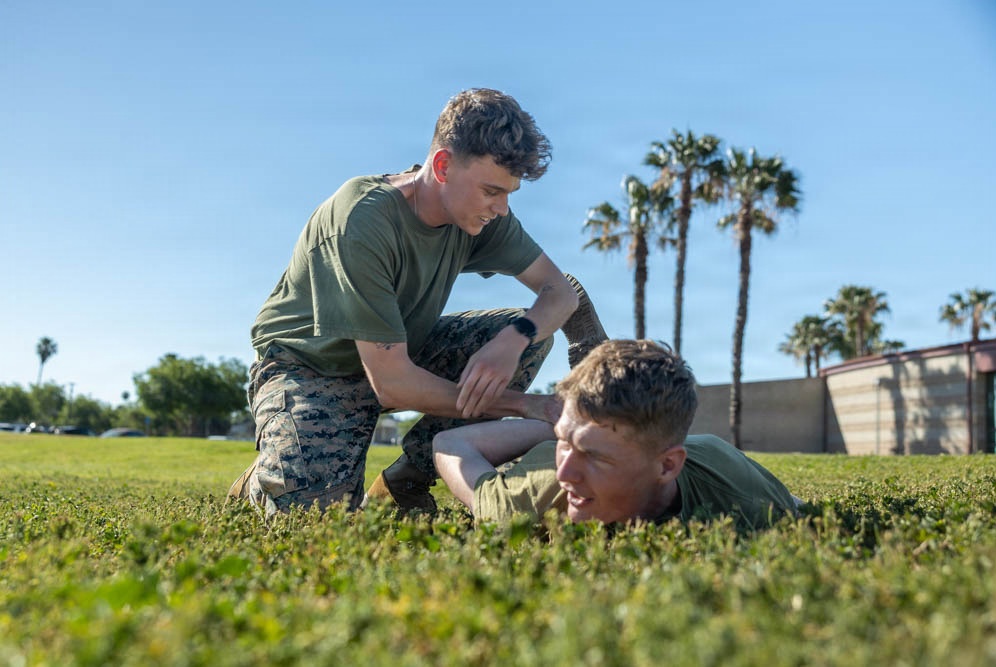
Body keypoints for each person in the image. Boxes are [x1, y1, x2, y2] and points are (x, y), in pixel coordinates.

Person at [228, 88, 601, 519]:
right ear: (442, 166)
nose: (500, 209)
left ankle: (404, 481)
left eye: (509, 194)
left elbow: (560, 292)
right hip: (309, 369)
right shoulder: (362, 219)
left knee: (531, 336)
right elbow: (394, 384)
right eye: (491, 191)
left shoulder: (482, 215)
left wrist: (513, 341)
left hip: (399, 351)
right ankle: (265, 476)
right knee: (315, 517)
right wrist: (528, 405)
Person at [433, 339, 800, 529]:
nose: (566, 475)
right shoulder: (540, 490)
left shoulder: (746, 499)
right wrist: (555, 429)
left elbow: (797, 511)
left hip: (698, 452)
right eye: (565, 446)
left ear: (667, 467)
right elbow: (450, 444)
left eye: (595, 457)